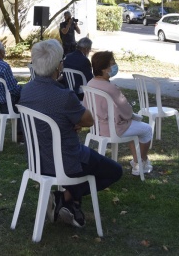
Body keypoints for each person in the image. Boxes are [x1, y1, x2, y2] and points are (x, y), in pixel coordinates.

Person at [19, 39, 122, 228]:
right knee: (115, 171)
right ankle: (67, 198)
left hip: (37, 160)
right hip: (67, 160)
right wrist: (74, 121)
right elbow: (89, 120)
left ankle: (67, 201)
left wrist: (68, 121)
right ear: (59, 65)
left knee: (85, 164)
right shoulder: (65, 96)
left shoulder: (26, 90)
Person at [87, 51, 154, 176]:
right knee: (147, 130)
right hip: (113, 129)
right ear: (104, 69)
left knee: (133, 127)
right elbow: (126, 111)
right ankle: (142, 162)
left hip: (97, 127)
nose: (115, 66)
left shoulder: (90, 84)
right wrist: (130, 116)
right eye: (112, 64)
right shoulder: (111, 88)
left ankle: (136, 161)